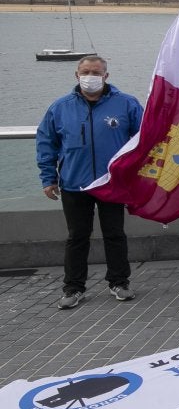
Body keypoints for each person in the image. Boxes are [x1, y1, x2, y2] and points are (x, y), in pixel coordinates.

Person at [36, 55, 143, 309]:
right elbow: (46, 143)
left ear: (106, 76)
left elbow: (143, 140)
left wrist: (136, 176)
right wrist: (48, 178)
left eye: (96, 72)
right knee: (77, 237)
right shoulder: (60, 108)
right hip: (74, 184)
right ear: (77, 75)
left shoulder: (127, 104)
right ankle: (73, 288)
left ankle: (119, 282)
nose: (90, 77)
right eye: (85, 72)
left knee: (114, 234)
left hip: (111, 183)